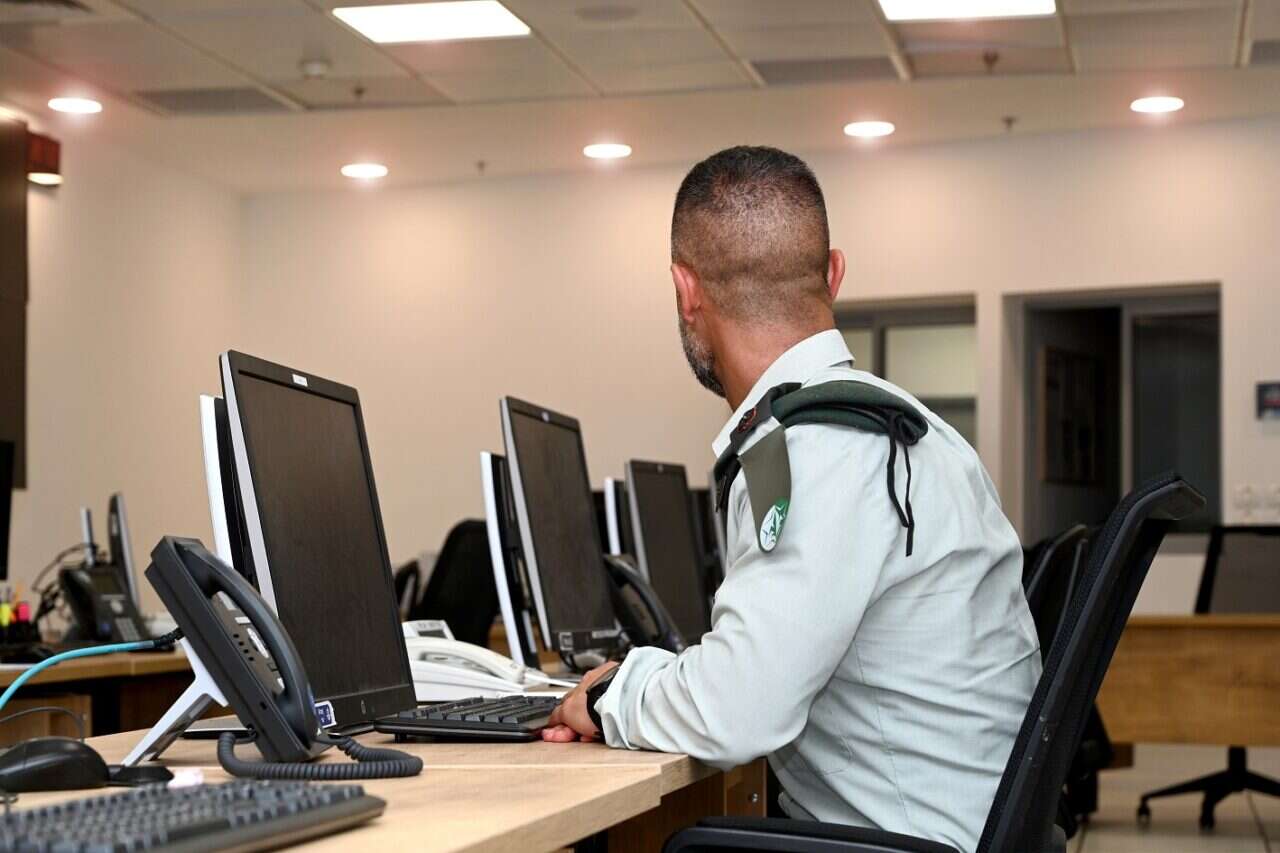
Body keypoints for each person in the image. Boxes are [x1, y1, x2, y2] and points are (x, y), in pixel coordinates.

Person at [542, 146, 1040, 853]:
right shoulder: (901, 427)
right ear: (833, 274)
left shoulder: (814, 447)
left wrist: (608, 695)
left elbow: (736, 709)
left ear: (686, 291)